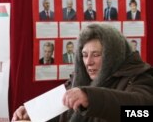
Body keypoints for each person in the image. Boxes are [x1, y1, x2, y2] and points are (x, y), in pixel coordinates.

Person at [12, 23, 153, 122]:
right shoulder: (79, 81)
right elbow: (59, 109)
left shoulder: (139, 77)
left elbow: (143, 113)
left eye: (96, 54)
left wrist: (91, 98)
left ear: (113, 55)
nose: (88, 62)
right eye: (84, 55)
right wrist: (32, 113)